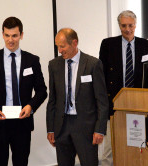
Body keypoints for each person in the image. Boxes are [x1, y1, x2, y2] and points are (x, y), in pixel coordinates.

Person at [0, 17, 47, 166]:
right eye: (7, 35)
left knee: (21, 163)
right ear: (2, 34)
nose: (10, 40)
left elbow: (42, 91)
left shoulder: (32, 60)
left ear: (21, 35)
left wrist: (30, 106)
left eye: (14, 35)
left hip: (22, 123)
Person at [99, 10, 148, 165]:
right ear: (119, 26)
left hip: (138, 103)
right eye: (124, 25)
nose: (127, 29)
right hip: (115, 103)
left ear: (135, 25)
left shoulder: (145, 44)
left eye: (130, 25)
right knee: (109, 148)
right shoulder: (108, 44)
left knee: (137, 144)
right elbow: (101, 74)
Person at [46, 28, 109, 166]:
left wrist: (100, 129)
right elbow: (52, 100)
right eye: (57, 46)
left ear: (74, 43)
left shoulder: (92, 64)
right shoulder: (54, 65)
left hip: (85, 128)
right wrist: (50, 128)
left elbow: (102, 100)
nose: (60, 50)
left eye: (62, 46)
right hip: (61, 127)